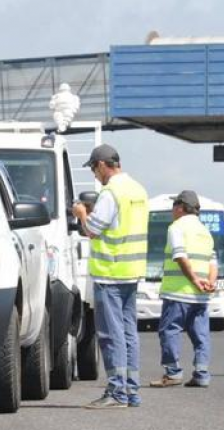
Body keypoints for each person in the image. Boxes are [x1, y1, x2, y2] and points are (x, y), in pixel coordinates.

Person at [71, 144, 149, 409]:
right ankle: (132, 390)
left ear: (103, 164)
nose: (95, 174)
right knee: (128, 333)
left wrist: (82, 214)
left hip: (110, 273)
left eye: (94, 168)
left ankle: (116, 392)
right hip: (132, 271)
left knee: (110, 334)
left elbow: (93, 229)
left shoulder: (110, 192)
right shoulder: (138, 190)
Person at [149, 190, 217, 389]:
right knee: (201, 335)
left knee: (169, 330)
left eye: (173, 207)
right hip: (201, 296)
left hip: (178, 292)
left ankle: (172, 373)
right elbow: (213, 261)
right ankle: (202, 374)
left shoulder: (176, 227)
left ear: (179, 208)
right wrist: (210, 283)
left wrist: (194, 280)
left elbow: (180, 256)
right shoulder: (205, 231)